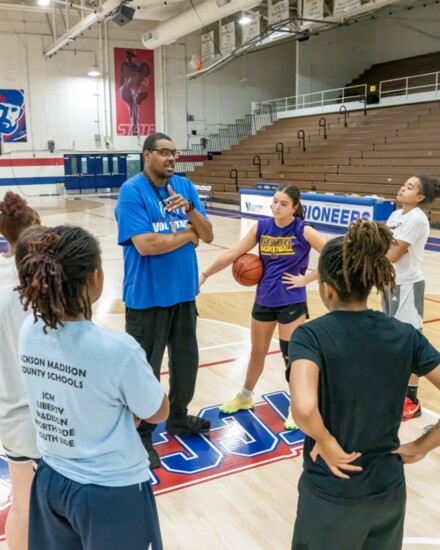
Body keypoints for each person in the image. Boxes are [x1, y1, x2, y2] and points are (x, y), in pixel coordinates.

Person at [287, 219, 440, 550]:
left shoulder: (310, 335)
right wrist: (422, 445)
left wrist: (325, 440)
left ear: (327, 289)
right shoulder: (406, 335)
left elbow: (303, 408)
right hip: (388, 489)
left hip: (333, 491)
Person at [15, 225, 169, 550]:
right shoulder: (118, 349)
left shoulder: (29, 329)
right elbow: (157, 410)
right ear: (96, 277)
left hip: (51, 478)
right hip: (110, 489)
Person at [115, 132, 214, 468]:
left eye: (175, 153)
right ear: (147, 155)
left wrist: (189, 210)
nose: (172, 158)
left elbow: (209, 234)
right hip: (147, 300)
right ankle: (141, 436)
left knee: (186, 365)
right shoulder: (132, 191)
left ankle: (178, 417)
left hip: (185, 294)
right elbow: (146, 245)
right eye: (164, 153)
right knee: (146, 373)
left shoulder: (184, 187)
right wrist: (188, 234)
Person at [200, 184, 326, 429]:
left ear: (295, 207)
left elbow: (336, 255)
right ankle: (245, 397)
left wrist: (306, 279)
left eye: (283, 203)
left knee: (292, 357)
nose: (277, 207)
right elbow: (233, 253)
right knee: (257, 353)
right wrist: (205, 274)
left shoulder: (303, 230)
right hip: (264, 300)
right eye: (275, 201)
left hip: (291, 301)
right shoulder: (262, 226)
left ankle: (297, 407)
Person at [0, 192, 41, 550]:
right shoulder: (42, 283)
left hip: (9, 413)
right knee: (61, 510)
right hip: (50, 412)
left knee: (22, 506)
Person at [384, 175, 440, 420]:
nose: (402, 188)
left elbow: (392, 255)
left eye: (409, 187)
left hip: (408, 286)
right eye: (404, 184)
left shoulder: (417, 219)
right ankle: (398, 391)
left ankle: (412, 399)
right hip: (391, 284)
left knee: (410, 343)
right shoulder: (396, 215)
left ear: (420, 197)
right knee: (394, 342)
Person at [119, 49, 150, 136]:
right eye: (127, 56)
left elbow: (146, 83)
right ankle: (137, 98)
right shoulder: (124, 66)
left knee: (134, 112)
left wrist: (143, 77)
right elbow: (127, 76)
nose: (127, 57)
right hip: (125, 90)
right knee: (130, 80)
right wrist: (139, 76)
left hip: (134, 93)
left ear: (133, 58)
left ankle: (135, 133)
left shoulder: (137, 67)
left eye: (129, 56)